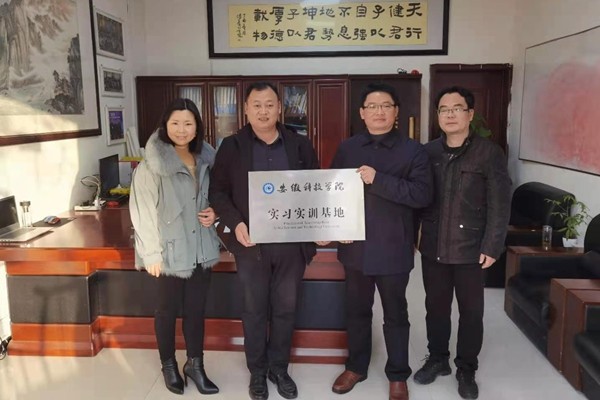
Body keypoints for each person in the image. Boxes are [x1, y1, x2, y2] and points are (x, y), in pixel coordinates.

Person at [209, 82, 323, 400]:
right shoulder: (231, 146)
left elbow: (315, 187)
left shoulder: (299, 145)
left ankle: (279, 369)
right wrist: (236, 223)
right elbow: (217, 191)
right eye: (257, 105)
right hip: (251, 245)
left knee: (286, 309)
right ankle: (257, 372)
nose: (263, 111)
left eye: (270, 104)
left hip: (291, 245)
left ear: (279, 108)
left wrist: (321, 228)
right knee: (254, 310)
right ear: (246, 109)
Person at [328, 83, 433, 400]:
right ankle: (356, 367)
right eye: (372, 106)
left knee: (395, 315)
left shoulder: (413, 150)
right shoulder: (347, 148)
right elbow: (331, 190)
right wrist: (334, 227)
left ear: (396, 112)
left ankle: (398, 375)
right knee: (356, 311)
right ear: (362, 113)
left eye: (386, 105)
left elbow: (422, 194)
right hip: (354, 246)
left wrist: (378, 179)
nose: (379, 112)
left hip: (393, 245)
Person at [413, 86, 511, 400]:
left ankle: (466, 368)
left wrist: (492, 245)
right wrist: (413, 236)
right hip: (433, 246)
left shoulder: (489, 153)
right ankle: (437, 358)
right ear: (437, 116)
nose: (450, 115)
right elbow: (418, 199)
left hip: (472, 248)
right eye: (444, 109)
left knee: (471, 312)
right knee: (435, 308)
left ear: (470, 114)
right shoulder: (427, 152)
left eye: (457, 108)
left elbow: (500, 203)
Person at [130, 98, 221, 396]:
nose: (182, 130)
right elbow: (142, 211)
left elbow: (219, 195)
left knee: (196, 310)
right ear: (165, 125)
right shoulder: (151, 165)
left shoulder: (208, 159)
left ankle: (195, 365)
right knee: (166, 310)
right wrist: (151, 254)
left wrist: (216, 212)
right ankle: (168, 365)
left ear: (197, 127)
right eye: (175, 123)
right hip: (168, 250)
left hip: (201, 248)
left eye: (188, 123)